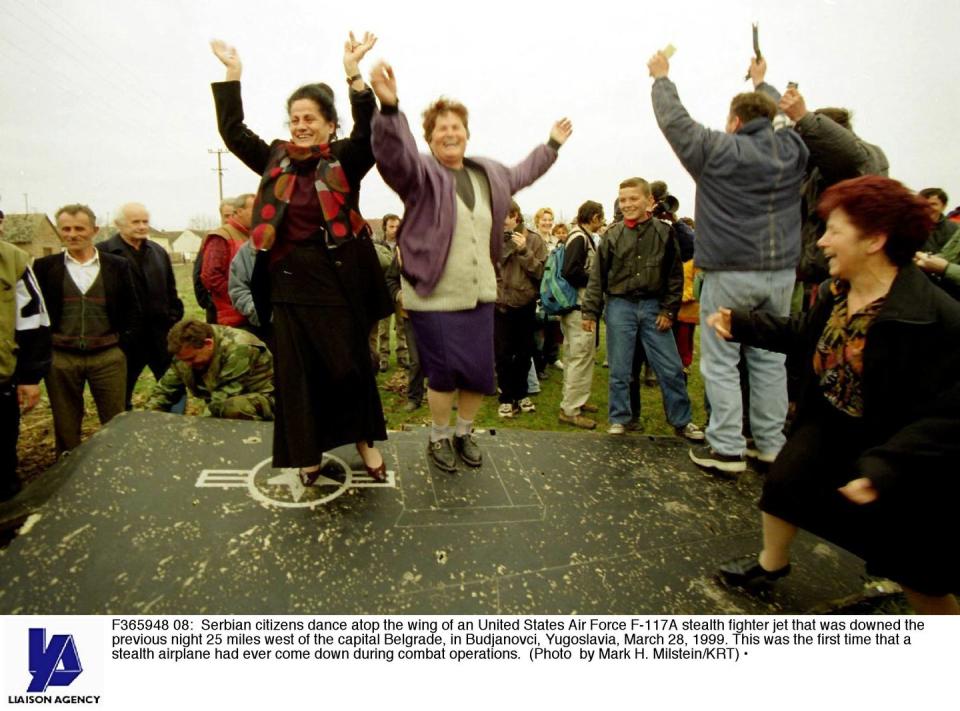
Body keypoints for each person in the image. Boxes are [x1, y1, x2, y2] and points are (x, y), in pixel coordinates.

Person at [708, 176, 960, 614]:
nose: (822, 241)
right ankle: (771, 566)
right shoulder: (836, 293)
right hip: (829, 420)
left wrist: (886, 467)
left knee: (917, 566)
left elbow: (949, 413)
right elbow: (808, 334)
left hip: (898, 447)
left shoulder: (937, 318)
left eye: (834, 231)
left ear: (875, 239)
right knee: (784, 485)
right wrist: (745, 324)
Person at [369, 60, 571, 472]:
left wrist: (550, 145)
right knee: (443, 374)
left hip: (481, 293)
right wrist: (390, 110)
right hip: (435, 296)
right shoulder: (420, 172)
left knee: (479, 373)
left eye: (456, 126)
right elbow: (394, 157)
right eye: (440, 127)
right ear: (428, 137)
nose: (449, 132)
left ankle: (463, 432)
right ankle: (438, 436)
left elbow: (524, 172)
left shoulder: (489, 173)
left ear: (467, 133)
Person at [210, 33, 391, 484]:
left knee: (350, 367)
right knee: (298, 375)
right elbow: (234, 133)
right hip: (288, 282)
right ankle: (307, 453)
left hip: (338, 280)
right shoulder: (275, 159)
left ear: (331, 124)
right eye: (295, 119)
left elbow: (369, 132)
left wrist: (353, 75)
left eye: (310, 118)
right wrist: (232, 77)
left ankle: (364, 442)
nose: (301, 125)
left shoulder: (347, 158)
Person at [649, 52, 808, 472]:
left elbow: (675, 122)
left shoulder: (717, 149)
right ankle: (771, 444)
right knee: (770, 359)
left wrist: (662, 78)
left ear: (734, 122)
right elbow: (783, 122)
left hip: (730, 269)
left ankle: (727, 447)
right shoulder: (792, 150)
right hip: (780, 273)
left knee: (721, 359)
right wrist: (763, 84)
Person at [582, 178, 704, 441]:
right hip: (619, 306)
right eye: (622, 199)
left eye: (633, 198)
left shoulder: (665, 231)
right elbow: (598, 277)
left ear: (649, 201)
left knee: (671, 368)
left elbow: (674, 276)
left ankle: (682, 421)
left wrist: (668, 311)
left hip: (653, 308)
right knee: (620, 369)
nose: (627, 204)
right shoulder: (611, 235)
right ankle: (619, 419)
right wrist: (590, 312)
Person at [34, 205, 140, 455]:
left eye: (79, 228)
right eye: (66, 229)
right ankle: (67, 475)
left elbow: (132, 310)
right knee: (65, 422)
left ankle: (115, 466)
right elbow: (37, 314)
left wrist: (120, 348)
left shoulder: (117, 265)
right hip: (62, 358)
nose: (72, 234)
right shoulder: (45, 267)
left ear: (94, 230)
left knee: (116, 420)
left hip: (107, 356)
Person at [99, 202, 184, 410]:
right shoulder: (103, 253)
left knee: (174, 388)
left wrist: (172, 317)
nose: (142, 226)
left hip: (160, 336)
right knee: (121, 392)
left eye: (145, 221)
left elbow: (170, 291)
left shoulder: (157, 252)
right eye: (135, 222)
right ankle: (124, 429)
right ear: (119, 224)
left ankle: (175, 428)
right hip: (125, 340)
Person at [0, 235, 50, 499]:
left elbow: (34, 318)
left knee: (4, 455)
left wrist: (29, 376)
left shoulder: (12, 259)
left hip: (1, 379)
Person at [147, 319, 274, 420]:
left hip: (263, 401)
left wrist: (201, 433)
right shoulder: (185, 355)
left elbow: (222, 398)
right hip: (220, 404)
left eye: (191, 359)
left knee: (233, 407)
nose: (187, 364)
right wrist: (147, 419)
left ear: (208, 344)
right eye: (183, 360)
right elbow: (164, 391)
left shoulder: (240, 348)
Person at [495, 201, 547, 418]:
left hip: (525, 304)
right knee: (503, 354)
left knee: (525, 352)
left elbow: (540, 272)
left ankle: (522, 393)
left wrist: (524, 250)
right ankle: (506, 397)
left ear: (515, 216)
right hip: (500, 305)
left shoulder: (535, 239)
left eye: (505, 216)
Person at [557, 200, 603, 429]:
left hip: (578, 308)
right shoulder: (579, 238)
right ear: (594, 217)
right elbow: (570, 271)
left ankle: (576, 400)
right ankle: (570, 409)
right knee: (579, 357)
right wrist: (596, 279)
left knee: (577, 356)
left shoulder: (579, 235)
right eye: (600, 218)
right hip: (579, 308)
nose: (601, 223)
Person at [201, 193, 255, 328]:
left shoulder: (253, 236)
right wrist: (240, 298)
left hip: (253, 314)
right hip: (234, 319)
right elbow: (211, 277)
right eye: (254, 209)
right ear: (239, 211)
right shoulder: (221, 237)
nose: (259, 213)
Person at [373, 213, 408, 371]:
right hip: (384, 290)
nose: (395, 230)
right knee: (384, 327)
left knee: (402, 326)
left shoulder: (406, 245)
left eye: (397, 226)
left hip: (401, 290)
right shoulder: (377, 245)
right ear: (384, 228)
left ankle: (402, 356)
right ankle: (384, 358)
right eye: (391, 226)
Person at [918, 187, 959, 253]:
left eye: (933, 204)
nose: (928, 208)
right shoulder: (908, 228)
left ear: (944, 206)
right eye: (924, 204)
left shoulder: (955, 229)